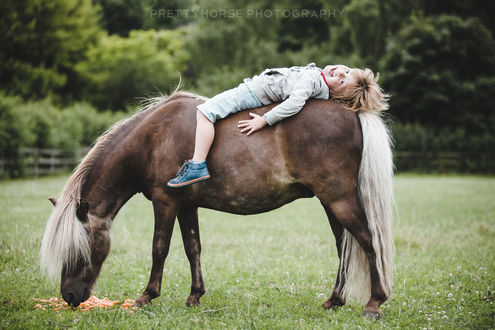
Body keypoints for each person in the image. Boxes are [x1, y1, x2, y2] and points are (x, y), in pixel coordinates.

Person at [167, 63, 388, 188]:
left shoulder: (313, 82)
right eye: (347, 71)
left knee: (206, 111)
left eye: (342, 82)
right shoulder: (319, 78)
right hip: (255, 89)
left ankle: (197, 164)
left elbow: (293, 104)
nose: (341, 73)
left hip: (251, 93)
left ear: (336, 95)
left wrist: (265, 119)